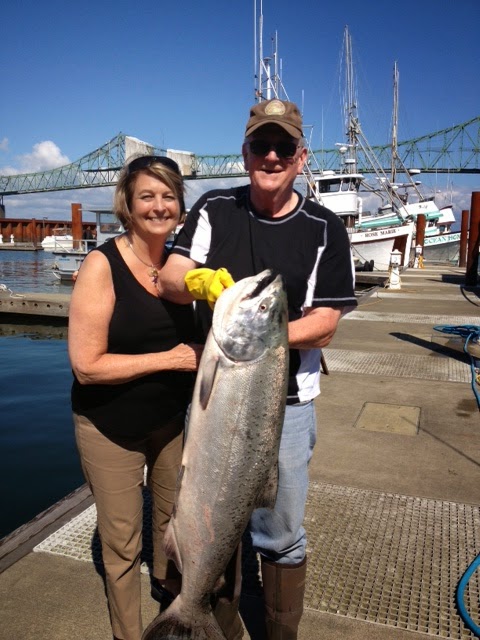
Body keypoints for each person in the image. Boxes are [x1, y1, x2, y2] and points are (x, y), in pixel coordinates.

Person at [159, 98, 358, 639]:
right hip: (216, 396)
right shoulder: (215, 207)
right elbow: (170, 278)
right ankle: (206, 620)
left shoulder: (324, 227)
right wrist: (197, 282)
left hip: (285, 406)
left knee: (282, 532)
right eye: (261, 145)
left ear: (301, 157)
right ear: (245, 153)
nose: (272, 156)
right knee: (205, 518)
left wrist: (258, 335)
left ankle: (279, 633)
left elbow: (325, 323)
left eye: (283, 147)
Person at [68, 155, 203, 640]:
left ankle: (173, 608)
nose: (159, 206)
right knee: (123, 542)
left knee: (173, 525)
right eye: (147, 195)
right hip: (110, 426)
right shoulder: (101, 265)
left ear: (180, 206)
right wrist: (171, 359)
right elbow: (86, 366)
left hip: (169, 423)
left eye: (169, 196)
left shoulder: (183, 267)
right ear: (127, 204)